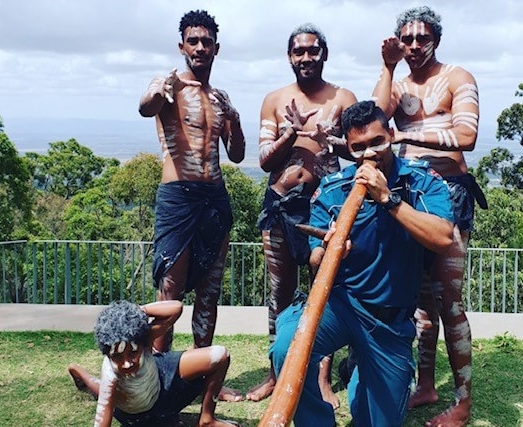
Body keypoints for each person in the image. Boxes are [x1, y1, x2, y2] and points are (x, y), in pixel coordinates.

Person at [270, 100, 454, 426]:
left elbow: (442, 238)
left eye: (376, 143)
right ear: (349, 149)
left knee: (371, 419)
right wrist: (326, 252)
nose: (369, 154)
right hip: (341, 306)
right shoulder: (334, 189)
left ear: (392, 136)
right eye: (358, 148)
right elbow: (314, 256)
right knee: (286, 346)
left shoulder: (420, 182)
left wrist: (388, 199)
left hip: (389, 321)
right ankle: (317, 421)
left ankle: (361, 373)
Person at [372, 6, 487, 427]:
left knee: (448, 301)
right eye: (407, 40)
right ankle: (425, 385)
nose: (415, 46)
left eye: (422, 39)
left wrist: (408, 134)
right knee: (421, 305)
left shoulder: (458, 78)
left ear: (435, 39)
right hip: (410, 196)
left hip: (451, 193)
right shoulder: (398, 83)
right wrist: (387, 67)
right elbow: (375, 120)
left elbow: (467, 135)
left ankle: (463, 402)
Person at [247, 23, 357, 406]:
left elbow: (361, 150)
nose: (306, 57)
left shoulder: (342, 98)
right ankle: (278, 374)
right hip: (280, 208)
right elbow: (263, 161)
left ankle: (320, 377)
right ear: (290, 56)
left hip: (325, 210)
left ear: (324, 54)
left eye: (313, 51)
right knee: (278, 294)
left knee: (321, 292)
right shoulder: (274, 100)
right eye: (299, 52)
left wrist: (335, 141)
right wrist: (290, 135)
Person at [138, 10, 245, 402]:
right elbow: (146, 107)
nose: (200, 47)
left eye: (206, 41)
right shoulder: (168, 84)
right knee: (170, 294)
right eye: (193, 41)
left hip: (215, 198)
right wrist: (157, 91)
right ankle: (157, 381)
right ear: (182, 45)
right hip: (178, 196)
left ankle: (204, 382)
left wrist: (236, 119)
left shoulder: (220, 98)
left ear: (216, 47)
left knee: (209, 292)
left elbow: (236, 154)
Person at [67, 300, 239, 427]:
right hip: (140, 412)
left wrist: (133, 315)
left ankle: (206, 419)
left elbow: (175, 309)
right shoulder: (111, 377)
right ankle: (81, 373)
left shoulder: (141, 337)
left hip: (160, 378)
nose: (127, 363)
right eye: (118, 358)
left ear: (141, 342)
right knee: (100, 389)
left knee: (219, 355)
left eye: (133, 353)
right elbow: (103, 418)